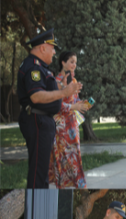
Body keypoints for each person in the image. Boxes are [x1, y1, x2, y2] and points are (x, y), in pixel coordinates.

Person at [17, 28, 82, 188]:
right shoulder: (33, 67)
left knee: (42, 171)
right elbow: (36, 96)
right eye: (52, 48)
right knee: (39, 173)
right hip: (37, 121)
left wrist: (60, 85)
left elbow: (43, 90)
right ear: (43, 47)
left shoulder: (40, 66)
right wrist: (63, 92)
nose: (54, 52)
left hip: (42, 121)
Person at [49, 50, 90, 188]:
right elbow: (56, 105)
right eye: (71, 62)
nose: (74, 65)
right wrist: (73, 106)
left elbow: (75, 100)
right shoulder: (55, 81)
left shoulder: (73, 81)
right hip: (61, 126)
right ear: (63, 62)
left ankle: (79, 184)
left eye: (76, 63)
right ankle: (65, 186)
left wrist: (82, 104)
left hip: (72, 125)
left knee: (75, 154)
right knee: (62, 156)